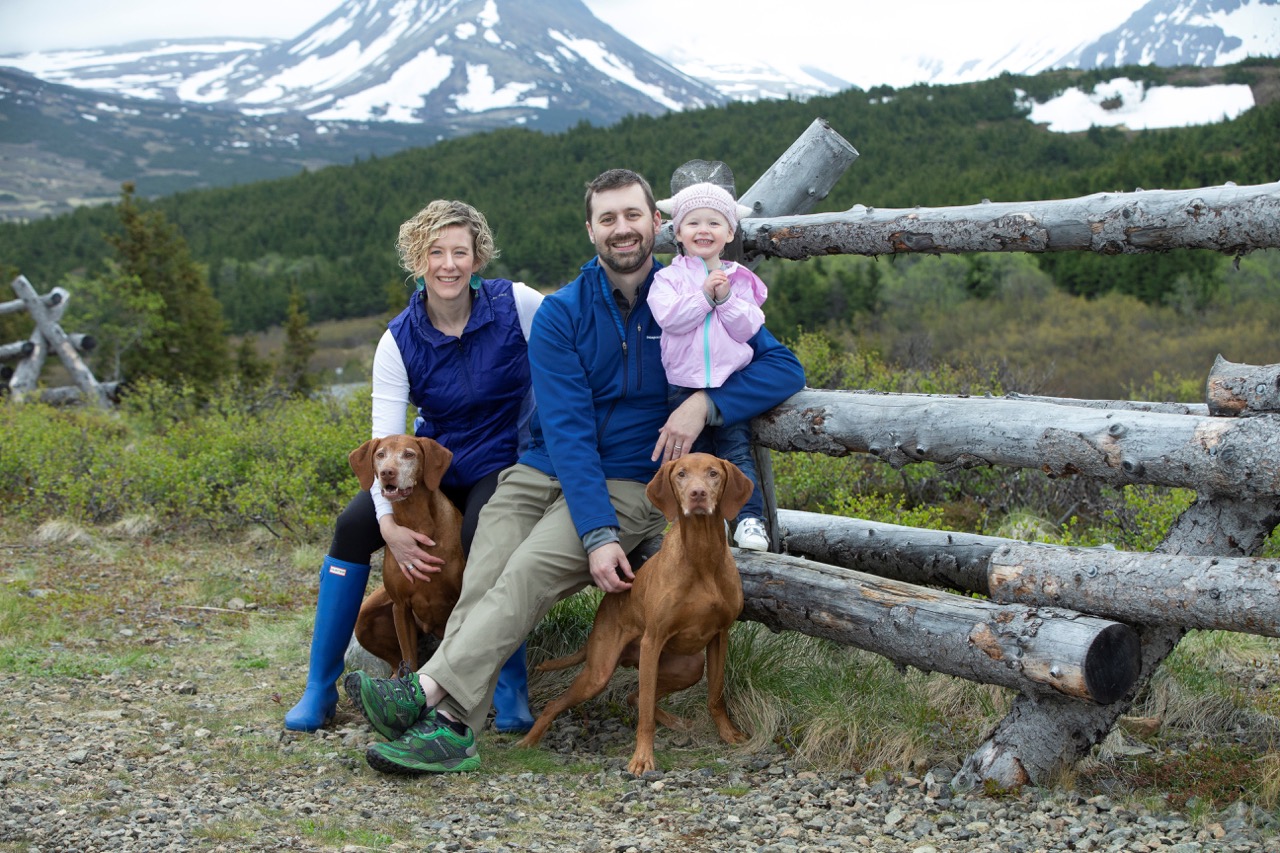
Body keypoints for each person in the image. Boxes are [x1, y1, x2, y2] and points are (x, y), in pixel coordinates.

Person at [342, 168, 806, 776]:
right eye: (607, 218)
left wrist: (705, 403)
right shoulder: (563, 313)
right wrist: (593, 530)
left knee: (527, 573)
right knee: (483, 569)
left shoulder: (688, 305)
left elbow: (783, 368)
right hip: (542, 468)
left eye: (633, 216)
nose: (622, 229)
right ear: (590, 229)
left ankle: (432, 711)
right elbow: (565, 430)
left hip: (623, 482)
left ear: (655, 224)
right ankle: (447, 719)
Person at [284, 199, 543, 735]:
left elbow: (568, 352)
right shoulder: (397, 339)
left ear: (478, 258)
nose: (448, 264)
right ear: (417, 259)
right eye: (435, 252)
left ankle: (511, 684)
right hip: (431, 464)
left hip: (503, 456)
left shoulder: (516, 304)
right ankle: (319, 687)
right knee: (352, 528)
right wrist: (387, 525)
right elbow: (384, 442)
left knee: (485, 531)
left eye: (460, 252)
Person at [648, 181, 771, 551]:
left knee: (734, 455)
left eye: (715, 223)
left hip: (728, 385)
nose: (704, 230)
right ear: (678, 232)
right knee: (691, 460)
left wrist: (726, 298)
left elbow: (748, 327)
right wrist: (704, 297)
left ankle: (748, 520)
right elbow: (670, 319)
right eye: (694, 223)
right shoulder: (668, 279)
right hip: (683, 386)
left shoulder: (741, 279)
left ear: (730, 232)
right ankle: (694, 522)